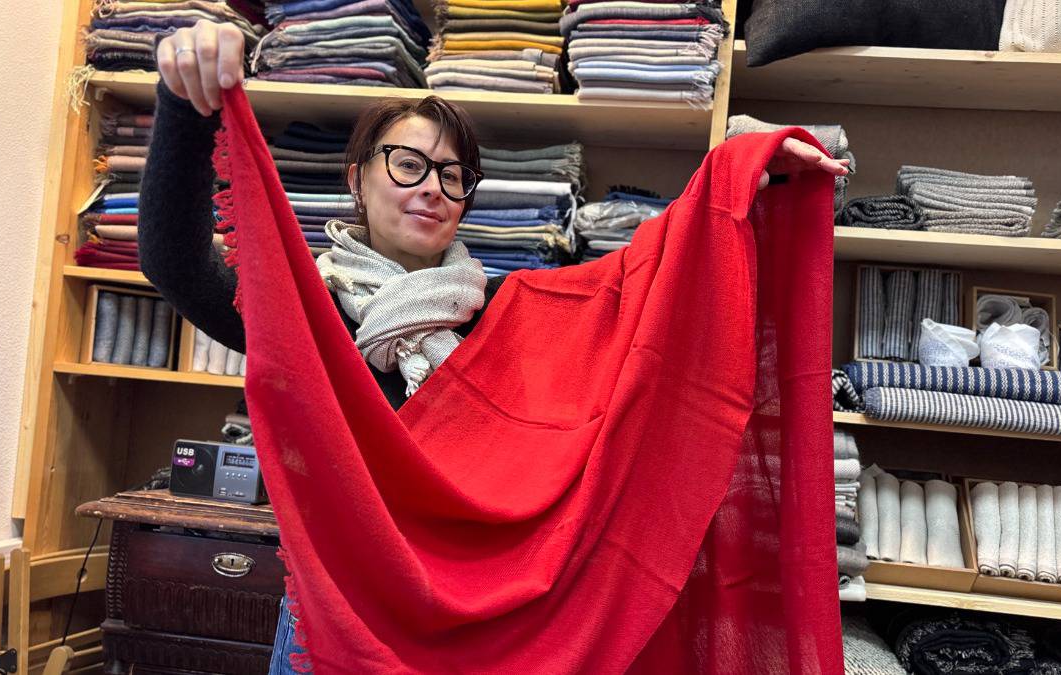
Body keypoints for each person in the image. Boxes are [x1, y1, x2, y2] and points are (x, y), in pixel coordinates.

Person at [141, 20, 850, 673]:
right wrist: (185, 103)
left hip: (487, 636)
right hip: (338, 627)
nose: (432, 189)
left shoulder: (510, 314)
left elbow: (649, 288)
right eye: (408, 164)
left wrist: (742, 174)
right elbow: (175, 262)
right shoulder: (308, 318)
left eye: (453, 176)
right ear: (356, 178)